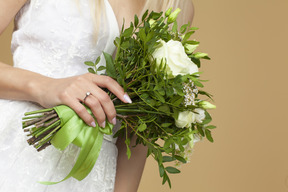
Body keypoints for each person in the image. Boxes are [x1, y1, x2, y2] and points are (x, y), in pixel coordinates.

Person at [0, 0, 194, 191]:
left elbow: (137, 131)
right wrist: (46, 87)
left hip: (90, 174)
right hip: (15, 144)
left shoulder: (174, 6)